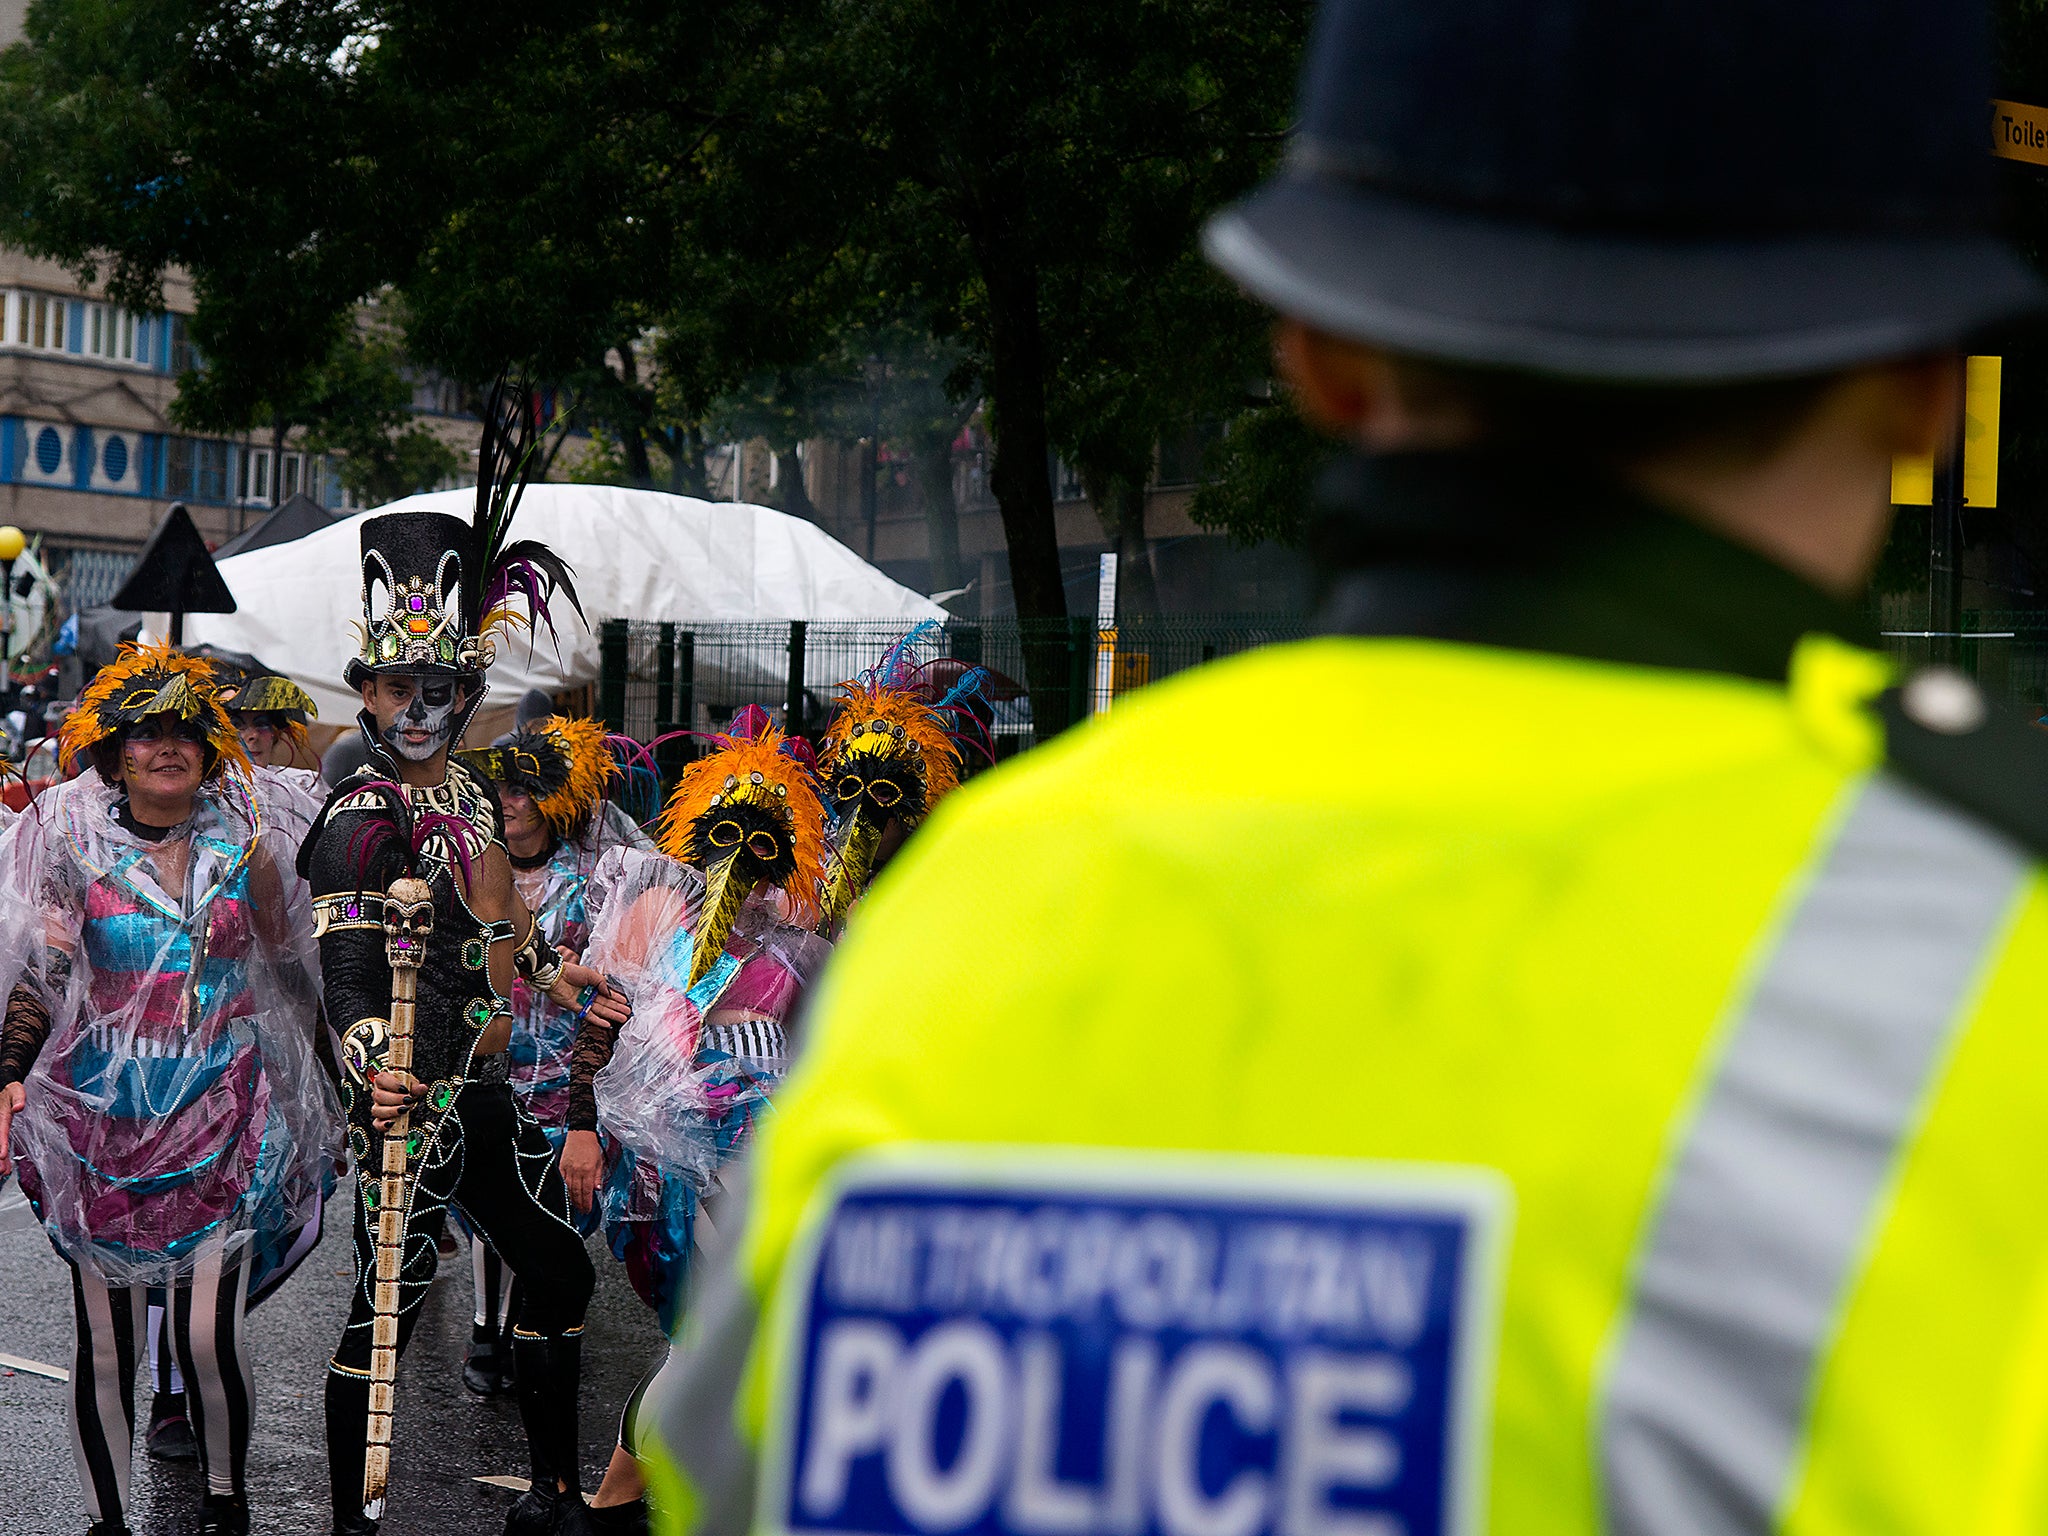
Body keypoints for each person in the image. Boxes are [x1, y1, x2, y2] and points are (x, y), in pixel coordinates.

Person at [636, 4, 2048, 1535]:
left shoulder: (975, 902)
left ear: (1316, 358)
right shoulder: (1989, 939)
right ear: (1922, 386)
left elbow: (711, 1464)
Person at [304, 382, 631, 1536]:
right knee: (388, 1305)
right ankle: (351, 1523)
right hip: (406, 1093)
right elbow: (344, 968)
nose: (416, 709)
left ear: (464, 696)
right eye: (396, 688)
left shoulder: (476, 798)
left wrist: (558, 973)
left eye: (437, 690)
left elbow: (494, 928)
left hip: (485, 1091)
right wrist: (366, 1061)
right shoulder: (358, 811)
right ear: (368, 694)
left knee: (559, 1276)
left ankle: (547, 1497)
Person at [0, 641, 337, 1536]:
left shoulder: (249, 844)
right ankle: (108, 1522)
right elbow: (44, 970)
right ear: (115, 753)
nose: (167, 749)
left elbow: (290, 964)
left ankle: (227, 1505)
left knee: (205, 1336)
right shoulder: (72, 846)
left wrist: (336, 1079)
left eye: (187, 733)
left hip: (221, 1107)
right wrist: (9, 1068)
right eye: (146, 735)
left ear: (210, 751)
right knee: (106, 1344)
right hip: (102, 1119)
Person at [566, 711, 830, 1535]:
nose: (739, 869)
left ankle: (623, 1498)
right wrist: (581, 1127)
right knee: (709, 1340)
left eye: (760, 850)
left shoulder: (798, 951)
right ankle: (623, 1496)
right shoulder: (652, 922)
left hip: (761, 1175)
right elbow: (599, 1028)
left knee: (734, 1338)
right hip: (667, 1182)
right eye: (723, 839)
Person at [449, 712, 653, 1395]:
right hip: (491, 1055)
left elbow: (618, 968)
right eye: (497, 786)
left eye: (524, 787)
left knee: (549, 1200)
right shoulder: (471, 869)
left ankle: (532, 1318)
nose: (507, 800)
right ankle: (486, 1328)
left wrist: (575, 962)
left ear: (554, 798)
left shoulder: (589, 877)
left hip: (566, 1066)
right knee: (489, 1198)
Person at [812, 625, 987, 936]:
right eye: (850, 788)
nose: (862, 808)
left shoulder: (932, 882)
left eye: (882, 792)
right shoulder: (818, 872)